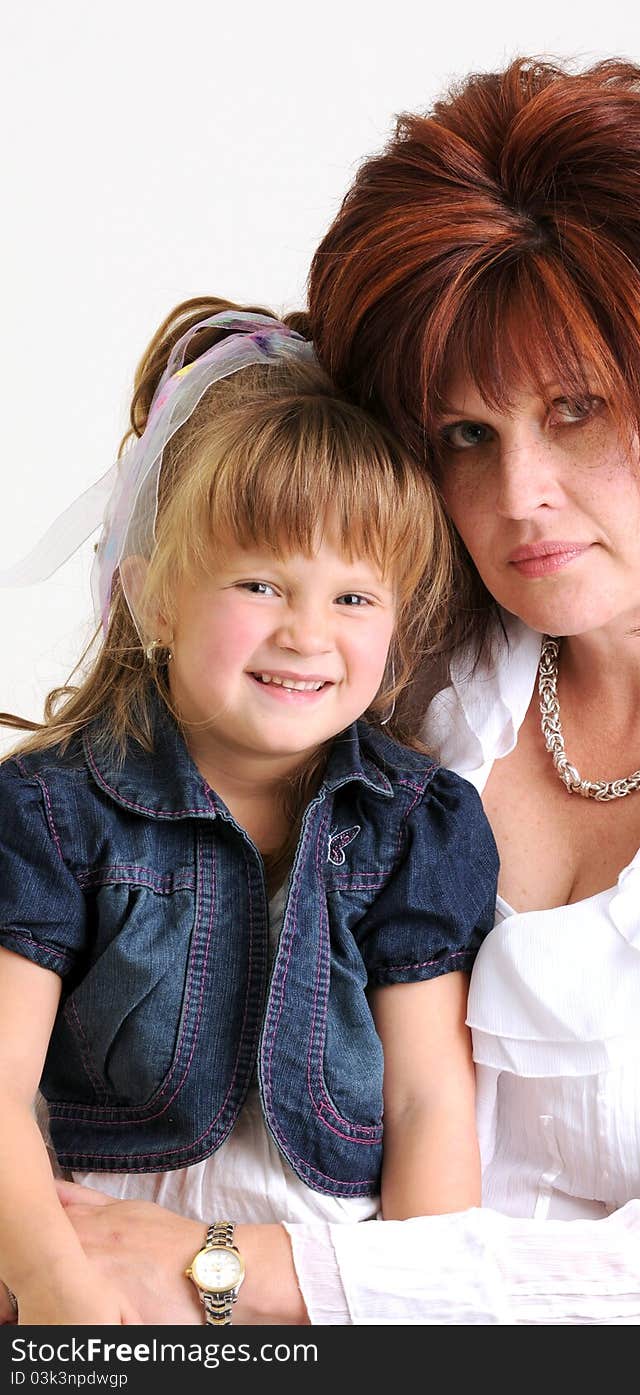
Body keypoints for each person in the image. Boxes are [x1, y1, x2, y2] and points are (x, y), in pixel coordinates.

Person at [16, 56, 640, 1325]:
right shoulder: (400, 640)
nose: (518, 494)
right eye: (465, 433)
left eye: (578, 410)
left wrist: (219, 1271)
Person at [0, 300, 498, 1325]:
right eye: (262, 583)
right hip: (85, 1260)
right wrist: (58, 1291)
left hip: (313, 1281)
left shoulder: (415, 827)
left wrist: (416, 1323)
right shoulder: (53, 811)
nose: (307, 633)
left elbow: (428, 1103)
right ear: (151, 599)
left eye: (354, 599)